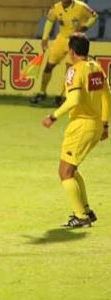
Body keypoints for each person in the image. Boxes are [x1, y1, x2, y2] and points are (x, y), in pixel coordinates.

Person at [41, 33, 108, 228]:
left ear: (71, 51)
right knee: (72, 169)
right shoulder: (96, 67)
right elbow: (107, 95)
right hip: (95, 125)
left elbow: (74, 100)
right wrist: (105, 124)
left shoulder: (74, 71)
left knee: (65, 172)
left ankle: (81, 216)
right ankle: (85, 210)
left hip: (81, 126)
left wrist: (53, 116)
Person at [31, 0, 97, 106]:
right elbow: (50, 21)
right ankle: (42, 92)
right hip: (61, 39)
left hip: (76, 40)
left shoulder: (81, 7)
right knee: (48, 66)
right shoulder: (56, 8)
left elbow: (94, 16)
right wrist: (45, 38)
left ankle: (61, 96)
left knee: (69, 70)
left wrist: (86, 26)